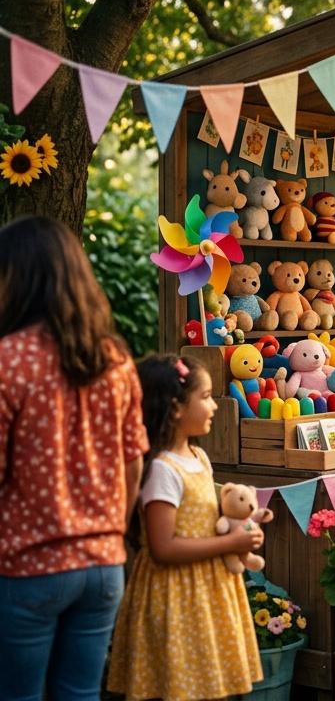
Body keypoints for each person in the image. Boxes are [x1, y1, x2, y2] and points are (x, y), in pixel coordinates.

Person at [0, 215, 149, 700]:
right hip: (103, 565)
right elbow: (133, 461)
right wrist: (112, 529)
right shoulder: (115, 359)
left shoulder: (9, 358)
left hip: (28, 566)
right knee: (81, 694)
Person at [107, 355, 264, 699]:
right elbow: (163, 548)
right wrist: (227, 545)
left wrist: (242, 533)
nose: (215, 406)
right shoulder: (163, 469)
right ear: (176, 408)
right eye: (206, 396)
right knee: (179, 686)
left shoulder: (199, 457)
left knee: (208, 684)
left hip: (207, 592)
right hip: (176, 597)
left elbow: (209, 521)